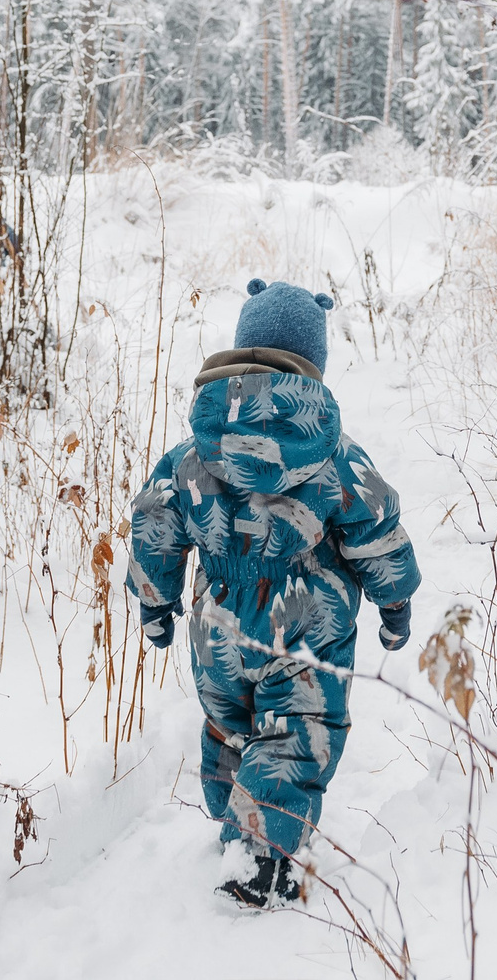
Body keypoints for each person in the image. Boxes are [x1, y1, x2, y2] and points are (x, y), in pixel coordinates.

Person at [126, 277, 421, 909]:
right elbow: (375, 527)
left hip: (217, 622)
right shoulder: (333, 453)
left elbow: (155, 521)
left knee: (229, 723)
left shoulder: (193, 451)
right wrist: (394, 601)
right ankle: (260, 857)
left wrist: (155, 601)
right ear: (313, 362)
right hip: (306, 619)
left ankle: (235, 823)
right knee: (295, 733)